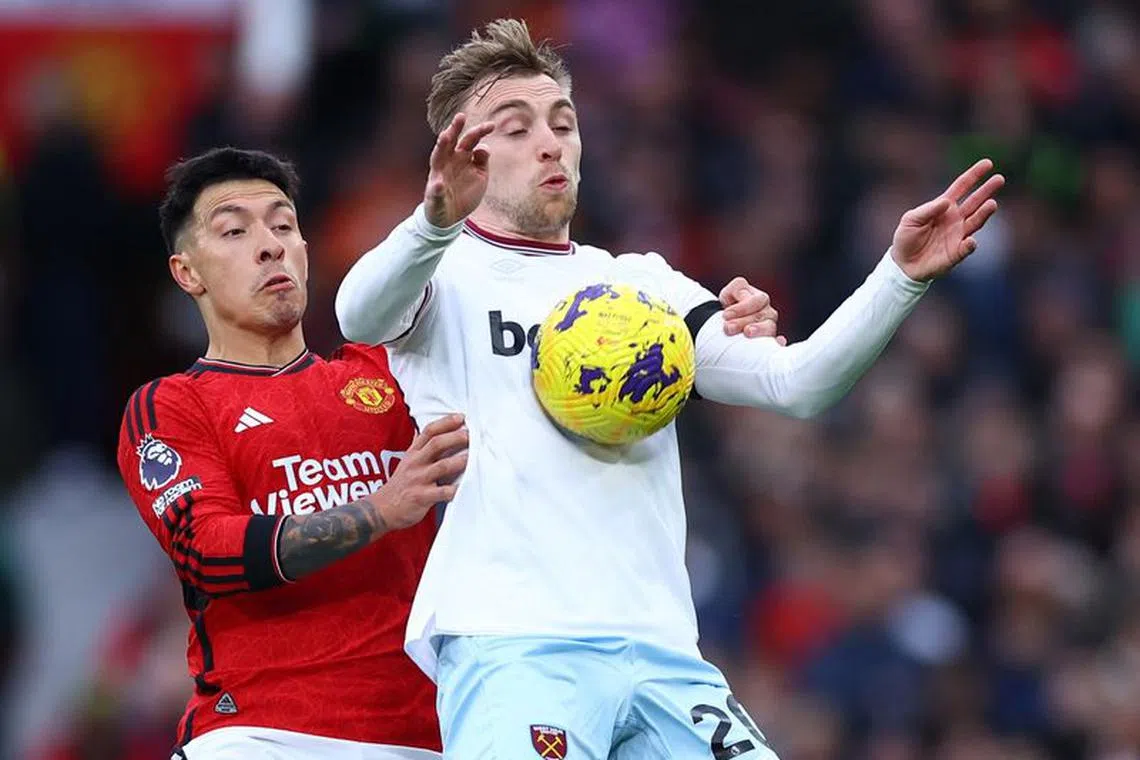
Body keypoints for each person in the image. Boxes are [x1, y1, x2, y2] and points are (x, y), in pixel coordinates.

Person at [334, 18, 1005, 760]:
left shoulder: (639, 284)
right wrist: (432, 219)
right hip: (516, 641)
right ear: (466, 153)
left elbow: (798, 385)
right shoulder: (442, 274)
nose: (552, 142)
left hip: (663, 652)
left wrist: (899, 277)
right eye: (518, 128)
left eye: (563, 121)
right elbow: (356, 312)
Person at [116, 146, 781, 760]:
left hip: (426, 734)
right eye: (235, 232)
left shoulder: (391, 373)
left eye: (283, 226)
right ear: (187, 271)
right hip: (258, 735)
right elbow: (208, 553)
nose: (269, 247)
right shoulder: (174, 405)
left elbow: (563, 370)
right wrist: (378, 510)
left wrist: (702, 332)